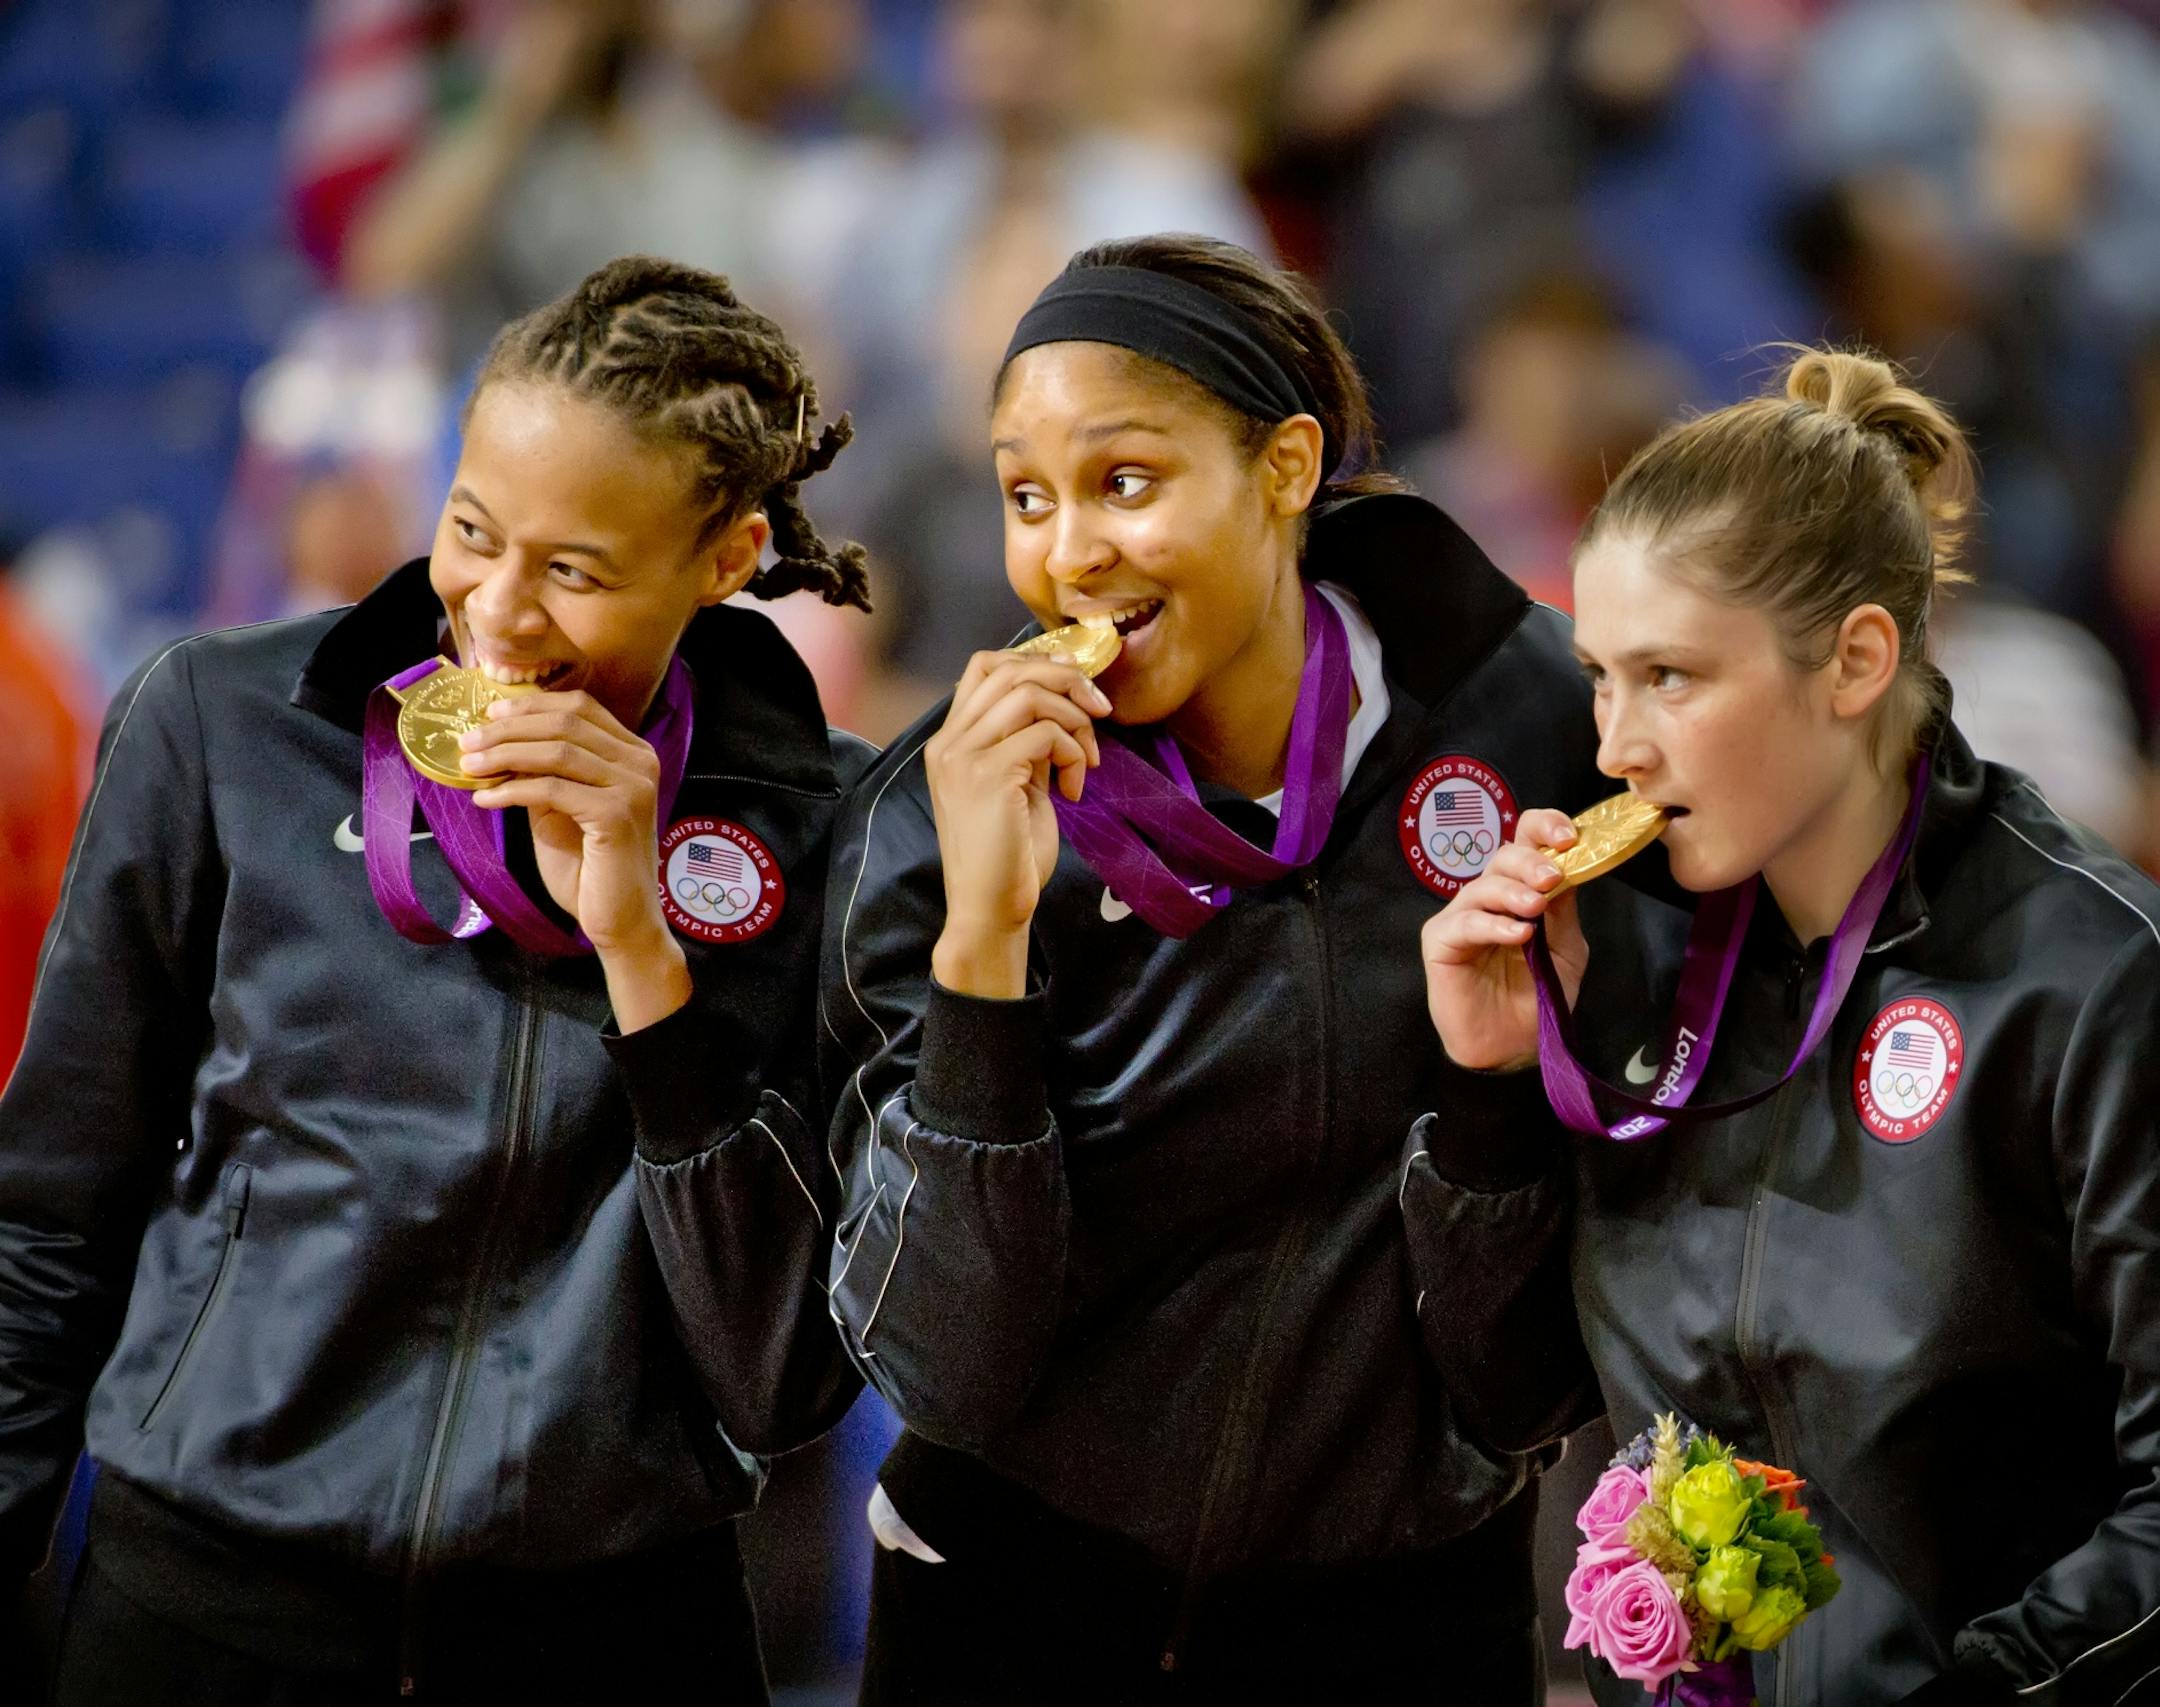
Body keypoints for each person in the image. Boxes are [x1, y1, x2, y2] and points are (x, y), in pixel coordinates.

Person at [0, 256, 871, 1704]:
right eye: (474, 531)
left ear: (725, 559)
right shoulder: (225, 728)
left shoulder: (824, 828)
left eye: (576, 570)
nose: (498, 613)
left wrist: (645, 951)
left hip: (608, 1629)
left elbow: (779, 1371)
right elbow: (47, 1212)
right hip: (212, 1598)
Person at [821, 232, 1618, 1703]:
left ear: (1288, 467)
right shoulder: (941, 813)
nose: (1068, 551)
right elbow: (943, 1368)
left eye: (1127, 481)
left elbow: (1532, 1367)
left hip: (1400, 1619)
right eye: (1026, 497)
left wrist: (1497, 1099)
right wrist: (981, 955)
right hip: (1016, 1613)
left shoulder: (1532, 725)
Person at [1421, 347, 2160, 1706]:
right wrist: (1491, 1087)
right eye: (1598, 676)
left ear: (1858, 662)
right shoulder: (1627, 942)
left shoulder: (2089, 981)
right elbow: (1510, 1410)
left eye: (1672, 678)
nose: (1615, 748)